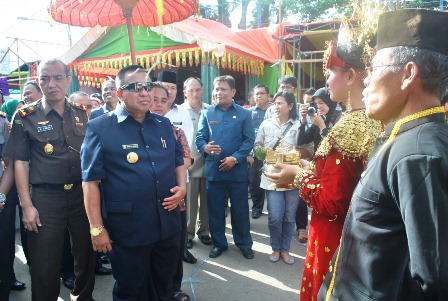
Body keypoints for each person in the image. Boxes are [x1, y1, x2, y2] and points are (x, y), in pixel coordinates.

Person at [317, 9, 448, 301]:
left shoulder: (419, 155)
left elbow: (434, 281)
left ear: (408, 74)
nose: (366, 81)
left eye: (374, 69)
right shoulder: (404, 138)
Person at [264, 26, 381, 300]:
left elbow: (332, 202)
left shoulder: (353, 123)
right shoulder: (368, 119)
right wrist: (308, 169)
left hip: (334, 235)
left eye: (330, 73)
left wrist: (297, 176)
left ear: (350, 75)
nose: (326, 81)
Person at [81, 65, 186, 300]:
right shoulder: (100, 128)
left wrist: (183, 188)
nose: (144, 93)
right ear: (119, 93)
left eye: (147, 86)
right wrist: (96, 228)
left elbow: (178, 160)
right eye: (136, 87)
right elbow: (90, 182)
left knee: (164, 286)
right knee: (131, 290)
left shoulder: (163, 124)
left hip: (167, 224)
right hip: (129, 229)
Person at [5, 58, 96, 301]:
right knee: (44, 262)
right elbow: (20, 164)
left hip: (80, 195)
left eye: (57, 78)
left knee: (86, 255)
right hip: (46, 198)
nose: (51, 84)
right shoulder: (25, 116)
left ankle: (83, 297)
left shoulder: (82, 115)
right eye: (45, 78)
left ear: (68, 81)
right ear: (39, 82)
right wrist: (27, 206)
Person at [196, 75, 255, 260]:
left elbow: (249, 140)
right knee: (215, 209)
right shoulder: (207, 113)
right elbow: (200, 138)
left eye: (223, 89)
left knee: (240, 209)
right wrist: (205, 147)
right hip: (214, 170)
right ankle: (219, 243)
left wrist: (235, 159)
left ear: (233, 92)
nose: (218, 92)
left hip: (236, 170)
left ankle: (244, 243)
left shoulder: (244, 114)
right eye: (216, 89)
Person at [255, 91, 311, 265]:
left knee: (289, 216)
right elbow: (257, 147)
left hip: (292, 178)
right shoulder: (266, 124)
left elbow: (309, 149)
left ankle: (285, 249)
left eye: (280, 103)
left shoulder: (299, 126)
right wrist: (264, 151)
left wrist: (296, 156)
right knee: (274, 216)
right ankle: (275, 247)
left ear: (290, 106)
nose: (276, 107)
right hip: (272, 177)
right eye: (275, 103)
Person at [150, 82, 193, 301]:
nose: (158, 105)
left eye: (163, 101)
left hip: (174, 194)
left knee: (174, 248)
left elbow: (186, 159)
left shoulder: (175, 131)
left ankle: (173, 288)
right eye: (154, 99)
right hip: (147, 200)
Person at [180, 77, 212, 250]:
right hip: (189, 164)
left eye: (197, 89)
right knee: (190, 202)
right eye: (190, 90)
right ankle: (188, 233)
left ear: (203, 90)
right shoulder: (180, 111)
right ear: (184, 92)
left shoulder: (210, 109)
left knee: (207, 201)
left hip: (208, 163)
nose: (194, 93)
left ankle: (204, 231)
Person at [0, 108, 25, 300]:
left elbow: (10, 163)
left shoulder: (1, 123)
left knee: (4, 248)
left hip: (1, 195)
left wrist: (1, 195)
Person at [247, 84, 271, 219]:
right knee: (255, 183)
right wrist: (249, 154)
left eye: (262, 93)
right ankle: (257, 208)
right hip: (255, 154)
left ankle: (274, 210)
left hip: (273, 153)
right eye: (257, 94)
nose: (259, 96)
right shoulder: (249, 113)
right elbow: (246, 135)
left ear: (268, 96)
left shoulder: (274, 111)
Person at [298, 87, 342, 154]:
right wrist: (303, 120)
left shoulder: (339, 118)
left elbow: (334, 147)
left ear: (329, 102)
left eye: (321, 103)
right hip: (317, 161)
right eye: (316, 103)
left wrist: (322, 126)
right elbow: (301, 141)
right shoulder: (322, 118)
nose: (318, 106)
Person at [158, 71, 194, 147]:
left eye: (173, 88)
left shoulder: (184, 113)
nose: (170, 92)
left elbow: (187, 145)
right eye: (166, 87)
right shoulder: (147, 112)